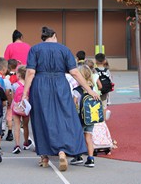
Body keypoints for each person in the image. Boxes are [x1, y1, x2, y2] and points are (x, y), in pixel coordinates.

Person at [22, 26, 100, 171]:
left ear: (43, 37)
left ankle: (44, 157)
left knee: (41, 118)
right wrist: (89, 89)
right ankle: (63, 151)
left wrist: (25, 92)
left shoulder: (35, 49)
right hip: (60, 85)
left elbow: (31, 72)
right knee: (64, 117)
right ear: (55, 36)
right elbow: (75, 72)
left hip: (40, 85)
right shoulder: (64, 49)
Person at [71, 65, 99, 167]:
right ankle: (91, 159)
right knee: (88, 137)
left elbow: (74, 104)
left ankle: (78, 156)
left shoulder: (77, 90)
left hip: (80, 118)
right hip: (91, 117)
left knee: (78, 137)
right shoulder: (92, 89)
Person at [11, 65, 33, 154]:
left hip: (16, 108)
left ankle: (17, 145)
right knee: (25, 126)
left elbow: (13, 96)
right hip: (25, 108)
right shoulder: (29, 85)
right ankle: (26, 142)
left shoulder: (15, 85)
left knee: (16, 126)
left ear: (19, 75)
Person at [0, 57, 13, 141]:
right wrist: (9, 102)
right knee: (3, 117)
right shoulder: (6, 81)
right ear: (5, 69)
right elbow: (8, 93)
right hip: (2, 103)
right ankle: (1, 130)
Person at [95, 53, 114, 118]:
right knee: (104, 105)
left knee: (96, 105)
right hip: (105, 91)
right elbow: (111, 80)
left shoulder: (94, 70)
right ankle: (103, 120)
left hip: (97, 91)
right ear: (104, 61)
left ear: (96, 61)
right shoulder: (107, 71)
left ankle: (97, 118)